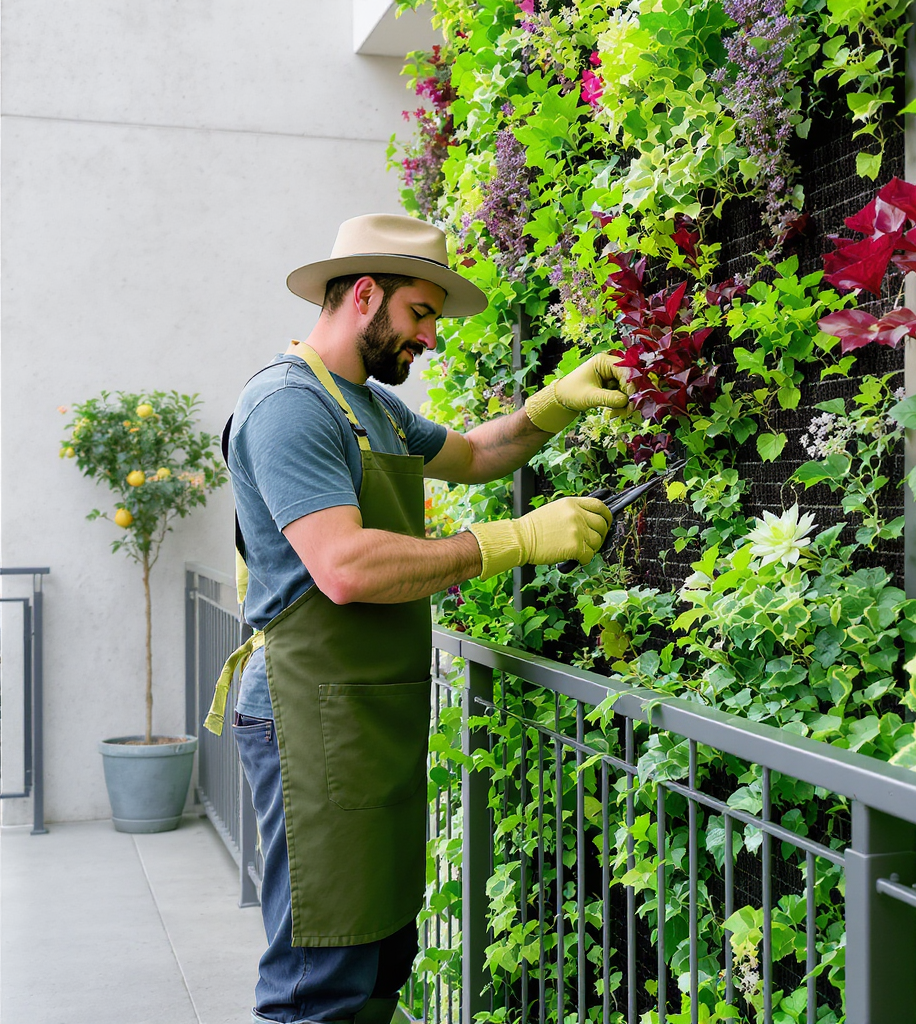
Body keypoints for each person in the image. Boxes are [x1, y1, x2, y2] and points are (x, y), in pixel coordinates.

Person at [204, 213, 631, 1024]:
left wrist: (554, 404)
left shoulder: (369, 405)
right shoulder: (288, 406)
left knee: (379, 953)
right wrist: (513, 540)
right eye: (421, 313)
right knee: (320, 973)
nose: (431, 337)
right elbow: (344, 566)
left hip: (366, 712)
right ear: (365, 295)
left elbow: (476, 454)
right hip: (307, 713)